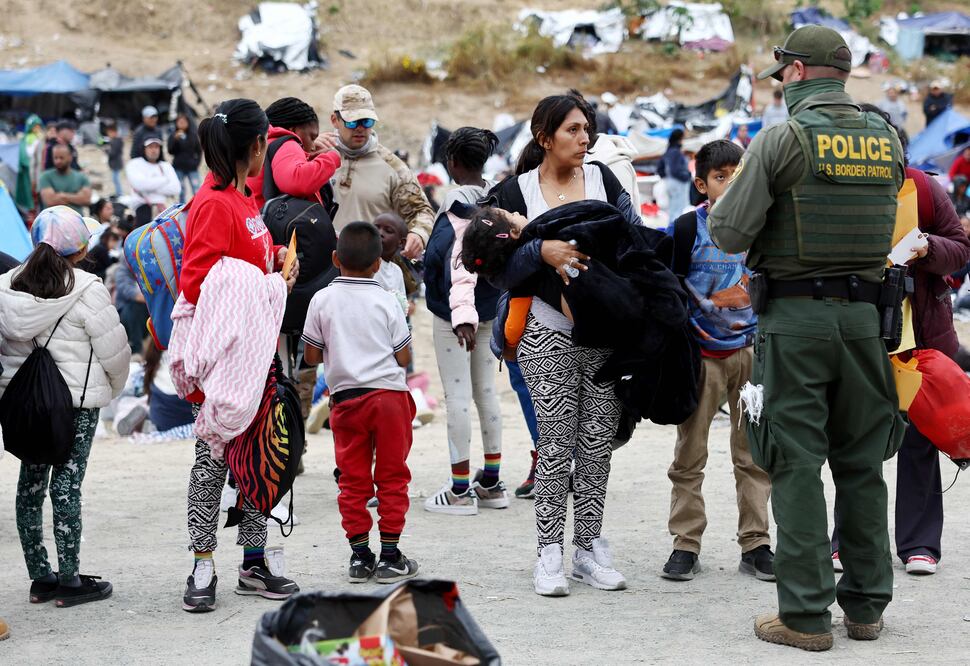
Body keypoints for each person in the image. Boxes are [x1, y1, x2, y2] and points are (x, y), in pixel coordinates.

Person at [708, 25, 906, 651]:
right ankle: (868, 608)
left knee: (795, 464)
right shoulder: (887, 139)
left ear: (794, 73)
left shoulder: (783, 138)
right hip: (868, 325)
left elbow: (728, 233)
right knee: (863, 464)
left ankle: (805, 616)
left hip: (795, 322)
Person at [483, 91, 640, 597]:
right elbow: (494, 266)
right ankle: (549, 553)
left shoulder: (604, 179)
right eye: (572, 130)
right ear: (544, 138)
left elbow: (635, 244)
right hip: (545, 332)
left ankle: (589, 549)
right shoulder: (515, 193)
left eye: (586, 129)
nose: (584, 138)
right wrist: (541, 251)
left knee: (596, 445)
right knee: (556, 446)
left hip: (604, 333)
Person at [830, 107, 970, 577]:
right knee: (855, 439)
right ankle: (845, 540)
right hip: (857, 333)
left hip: (921, 335)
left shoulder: (924, 189)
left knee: (920, 440)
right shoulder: (834, 191)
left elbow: (961, 247)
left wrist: (928, 247)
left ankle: (919, 545)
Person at [178, 99, 300, 613]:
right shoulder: (211, 204)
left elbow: (243, 262)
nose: (266, 152)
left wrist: (273, 260)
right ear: (252, 148)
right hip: (220, 361)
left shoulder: (245, 198)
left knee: (258, 459)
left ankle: (253, 561)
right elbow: (197, 282)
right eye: (265, 145)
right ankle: (202, 563)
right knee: (211, 464)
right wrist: (270, 283)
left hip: (255, 354)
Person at [0, 206, 130, 608]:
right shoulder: (88, 288)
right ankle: (71, 580)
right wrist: (108, 390)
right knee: (66, 486)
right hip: (75, 403)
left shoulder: (6, 286)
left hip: (23, 404)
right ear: (80, 248)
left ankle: (41, 578)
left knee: (30, 485)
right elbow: (115, 353)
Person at [661, 139, 772, 582]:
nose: (729, 185)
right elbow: (666, 287)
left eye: (737, 176)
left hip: (749, 355)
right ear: (701, 183)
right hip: (700, 358)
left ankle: (757, 543)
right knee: (690, 454)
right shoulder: (686, 229)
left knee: (753, 455)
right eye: (720, 177)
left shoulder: (762, 228)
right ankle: (685, 544)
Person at [302, 221, 419, 584]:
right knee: (392, 476)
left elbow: (310, 356)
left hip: (346, 400)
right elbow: (403, 358)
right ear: (376, 265)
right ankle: (389, 555)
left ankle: (359, 555)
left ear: (336, 258)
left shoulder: (321, 299)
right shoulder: (386, 299)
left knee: (351, 480)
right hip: (389, 399)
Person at [422, 127, 506, 516]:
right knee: (486, 392)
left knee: (457, 397)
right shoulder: (495, 204)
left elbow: (459, 268)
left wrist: (461, 317)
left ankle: (458, 490)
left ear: (452, 163)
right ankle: (491, 482)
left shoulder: (458, 212)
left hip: (458, 318)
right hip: (490, 310)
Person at [329, 85, 434, 258]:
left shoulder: (393, 166)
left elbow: (421, 211)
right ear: (334, 120)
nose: (360, 128)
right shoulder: (316, 155)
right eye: (352, 122)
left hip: (369, 270)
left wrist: (418, 234)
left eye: (367, 121)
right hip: (322, 268)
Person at [248, 96, 342, 211]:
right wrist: (332, 157)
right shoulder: (287, 143)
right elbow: (297, 182)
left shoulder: (263, 142)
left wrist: (309, 158)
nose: (313, 146)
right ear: (293, 130)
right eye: (312, 137)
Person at [126, 137, 180, 226]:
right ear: (144, 149)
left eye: (156, 147)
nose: (154, 150)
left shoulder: (165, 166)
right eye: (150, 147)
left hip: (165, 209)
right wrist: (164, 180)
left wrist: (149, 186)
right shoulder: (134, 164)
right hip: (143, 208)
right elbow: (140, 185)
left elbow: (176, 188)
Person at [38, 144, 92, 214]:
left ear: (70, 157)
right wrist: (76, 196)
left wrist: (62, 196)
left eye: (61, 158)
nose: (58, 161)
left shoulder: (81, 177)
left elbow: (86, 199)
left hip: (76, 222)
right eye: (55, 158)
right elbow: (50, 201)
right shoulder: (45, 176)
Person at [114, 260, 148, 355]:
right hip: (125, 314)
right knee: (134, 307)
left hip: (143, 313)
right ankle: (136, 348)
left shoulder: (146, 268)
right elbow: (129, 292)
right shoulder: (122, 271)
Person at [658, 129, 691, 219]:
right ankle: (676, 232)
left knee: (672, 211)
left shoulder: (668, 151)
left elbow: (660, 169)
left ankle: (671, 231)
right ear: (680, 138)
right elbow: (675, 170)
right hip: (678, 183)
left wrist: (667, 178)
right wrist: (687, 176)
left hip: (671, 182)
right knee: (678, 211)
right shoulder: (676, 152)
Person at [168, 113, 202, 200]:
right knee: (181, 190)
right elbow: (170, 151)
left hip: (192, 167)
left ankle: (197, 208)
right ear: (176, 123)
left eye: (184, 121)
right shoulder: (173, 135)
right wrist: (175, 140)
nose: (182, 123)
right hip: (178, 167)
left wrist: (197, 163)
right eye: (180, 122)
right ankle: (182, 210)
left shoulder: (193, 134)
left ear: (188, 123)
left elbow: (199, 150)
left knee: (196, 189)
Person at [15, 114, 43, 211]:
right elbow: (23, 154)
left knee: (35, 195)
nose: (37, 128)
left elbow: (39, 160)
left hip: (36, 171)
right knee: (26, 194)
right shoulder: (24, 139)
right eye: (35, 126)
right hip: (25, 170)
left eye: (38, 126)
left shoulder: (40, 139)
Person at [104, 121, 125, 197]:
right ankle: (118, 192)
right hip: (115, 163)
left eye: (109, 133)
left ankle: (119, 193)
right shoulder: (115, 140)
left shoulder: (117, 141)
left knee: (116, 179)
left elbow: (113, 153)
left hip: (116, 163)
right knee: (115, 179)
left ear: (114, 132)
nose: (108, 135)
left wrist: (107, 151)